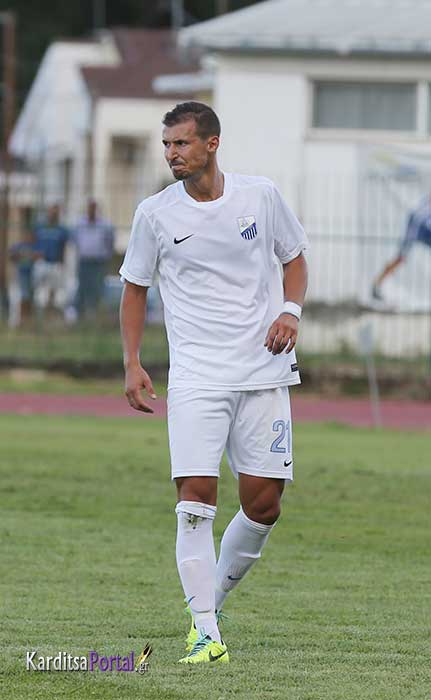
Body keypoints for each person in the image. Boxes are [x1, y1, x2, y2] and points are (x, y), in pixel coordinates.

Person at [119, 102, 308, 666]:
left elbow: (295, 258)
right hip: (197, 377)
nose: (172, 153)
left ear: (211, 144)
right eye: (167, 145)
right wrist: (132, 362)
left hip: (263, 373)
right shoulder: (155, 214)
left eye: (181, 143)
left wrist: (290, 310)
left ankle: (211, 605)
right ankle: (204, 632)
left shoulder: (260, 196)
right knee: (195, 500)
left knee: (265, 505)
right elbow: (134, 288)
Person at [372, 194, 431, 300]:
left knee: (400, 258)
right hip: (417, 227)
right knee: (400, 257)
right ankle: (377, 283)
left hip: (420, 226)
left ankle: (378, 283)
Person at [73, 201, 114, 317]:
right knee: (83, 286)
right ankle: (81, 312)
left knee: (98, 287)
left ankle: (96, 312)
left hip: (98, 262)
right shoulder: (80, 224)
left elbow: (110, 242)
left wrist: (106, 255)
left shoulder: (104, 225)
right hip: (84, 261)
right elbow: (76, 241)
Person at [32, 204, 70, 316]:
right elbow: (33, 241)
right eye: (51, 212)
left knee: (55, 291)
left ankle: (51, 313)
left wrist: (63, 262)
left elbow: (64, 246)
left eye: (56, 212)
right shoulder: (40, 227)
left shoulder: (62, 229)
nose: (53, 214)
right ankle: (39, 314)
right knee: (40, 290)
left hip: (55, 263)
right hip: (42, 262)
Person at [8, 229, 41, 322]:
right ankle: (22, 319)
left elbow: (39, 256)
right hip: (20, 274)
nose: (28, 237)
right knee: (22, 296)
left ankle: (29, 318)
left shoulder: (35, 246)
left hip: (33, 274)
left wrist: (29, 255)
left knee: (31, 296)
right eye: (26, 235)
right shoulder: (19, 245)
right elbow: (11, 256)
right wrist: (23, 255)